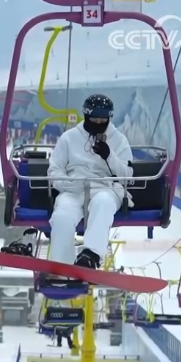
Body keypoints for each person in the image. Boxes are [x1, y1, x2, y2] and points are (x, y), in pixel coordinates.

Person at [47, 94, 133, 269]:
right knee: (63, 215)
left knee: (103, 202)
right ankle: (61, 265)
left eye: (103, 120)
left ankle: (91, 256)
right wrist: (69, 184)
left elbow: (127, 177)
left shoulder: (118, 140)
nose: (98, 124)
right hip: (74, 188)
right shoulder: (69, 138)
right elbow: (54, 171)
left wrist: (109, 156)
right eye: (94, 119)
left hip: (105, 187)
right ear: (86, 116)